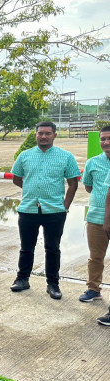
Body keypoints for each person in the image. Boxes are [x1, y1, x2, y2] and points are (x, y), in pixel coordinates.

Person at [10, 121, 79, 299]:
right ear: (35, 135)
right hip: (28, 209)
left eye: (48, 133)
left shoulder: (66, 157)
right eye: (40, 133)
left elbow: (73, 184)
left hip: (54, 211)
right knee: (26, 248)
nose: (44, 136)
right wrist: (31, 190)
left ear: (54, 135)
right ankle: (22, 279)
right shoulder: (25, 155)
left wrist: (65, 207)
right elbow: (16, 178)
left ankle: (53, 284)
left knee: (53, 248)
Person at [80, 126, 110, 302]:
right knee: (96, 257)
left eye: (109, 138)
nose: (106, 142)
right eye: (103, 139)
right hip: (96, 218)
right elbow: (88, 187)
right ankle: (93, 289)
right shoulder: (92, 162)